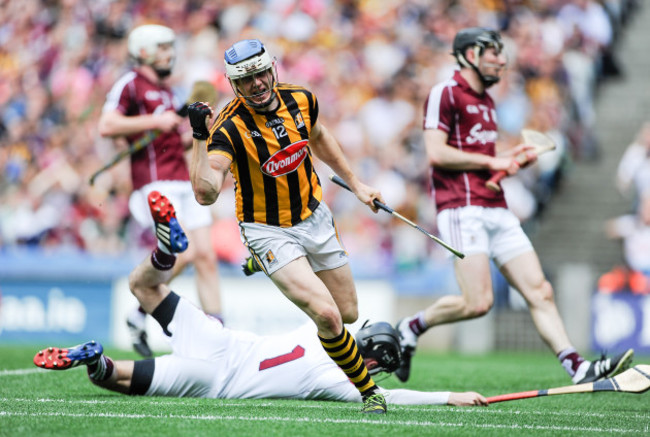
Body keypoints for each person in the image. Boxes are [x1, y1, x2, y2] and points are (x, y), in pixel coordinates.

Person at [33, 191, 487, 408]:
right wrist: (451, 396)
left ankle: (163, 253)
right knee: (110, 379)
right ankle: (94, 361)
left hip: (220, 340)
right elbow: (390, 398)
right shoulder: (337, 379)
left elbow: (313, 285)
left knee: (143, 286)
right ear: (371, 364)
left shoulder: (326, 328)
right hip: (211, 378)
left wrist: (262, 263)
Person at [394, 27, 634, 384]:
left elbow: (482, 165)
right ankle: (411, 326)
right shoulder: (444, 93)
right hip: (461, 208)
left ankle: (577, 368)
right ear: (469, 55)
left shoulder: (488, 103)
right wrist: (493, 161)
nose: (501, 60)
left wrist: (509, 162)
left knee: (540, 290)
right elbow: (437, 152)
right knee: (478, 303)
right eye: (492, 53)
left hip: (496, 206)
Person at [186, 39, 388, 414]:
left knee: (347, 314)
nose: (258, 84)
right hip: (267, 229)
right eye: (246, 81)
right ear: (234, 85)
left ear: (272, 69)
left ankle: (263, 264)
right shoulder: (229, 128)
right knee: (326, 316)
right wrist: (199, 137)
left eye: (261, 74)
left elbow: (320, 137)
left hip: (315, 216)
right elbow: (205, 194)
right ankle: (369, 391)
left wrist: (357, 185)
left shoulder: (302, 99)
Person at [97, 24, 222, 358]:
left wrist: (198, 130)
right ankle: (142, 306)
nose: (171, 53)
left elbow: (173, 142)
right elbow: (107, 125)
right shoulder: (131, 85)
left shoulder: (169, 92)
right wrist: (155, 122)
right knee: (189, 253)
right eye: (164, 47)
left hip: (183, 180)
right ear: (145, 51)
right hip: (154, 183)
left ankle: (220, 335)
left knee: (206, 257)